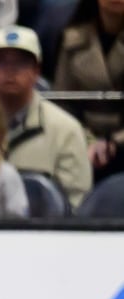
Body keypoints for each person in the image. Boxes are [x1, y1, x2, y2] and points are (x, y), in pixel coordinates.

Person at [0, 25, 93, 206]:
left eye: (20, 63)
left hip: (44, 231)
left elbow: (77, 202)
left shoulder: (66, 129)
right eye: (1, 62)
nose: (10, 71)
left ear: (36, 71)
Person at [52, 0, 124, 179]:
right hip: (82, 140)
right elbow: (62, 104)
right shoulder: (72, 39)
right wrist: (86, 140)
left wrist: (114, 142)